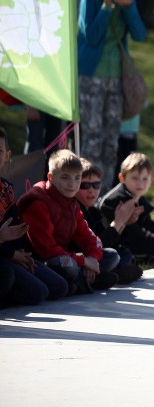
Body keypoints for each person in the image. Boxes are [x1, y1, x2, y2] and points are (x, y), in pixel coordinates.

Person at [77, 0, 148, 190]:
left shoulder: (127, 3)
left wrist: (128, 6)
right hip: (90, 78)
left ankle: (103, 193)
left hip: (116, 80)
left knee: (110, 141)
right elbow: (91, 36)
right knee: (92, 138)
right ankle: (86, 193)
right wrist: (107, 7)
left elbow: (139, 34)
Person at [17, 149, 120, 295]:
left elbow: (89, 238)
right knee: (69, 265)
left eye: (77, 178)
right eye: (65, 177)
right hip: (42, 260)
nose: (72, 184)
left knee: (112, 255)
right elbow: (46, 250)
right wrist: (84, 261)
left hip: (67, 255)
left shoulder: (71, 202)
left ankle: (81, 281)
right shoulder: (38, 202)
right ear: (51, 178)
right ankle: (88, 283)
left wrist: (91, 258)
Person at [0, 127, 67, 307]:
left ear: (7, 156)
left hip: (9, 255)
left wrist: (21, 253)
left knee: (58, 287)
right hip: (5, 258)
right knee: (33, 290)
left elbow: (16, 227)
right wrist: (10, 251)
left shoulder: (6, 188)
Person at [98, 152, 154, 267]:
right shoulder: (117, 200)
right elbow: (130, 233)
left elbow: (149, 226)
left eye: (145, 179)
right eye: (135, 178)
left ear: (151, 180)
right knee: (153, 246)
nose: (140, 184)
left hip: (130, 242)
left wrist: (151, 235)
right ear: (122, 178)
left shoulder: (139, 199)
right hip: (112, 245)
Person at [76, 159, 143, 284]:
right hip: (82, 256)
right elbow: (100, 243)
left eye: (96, 185)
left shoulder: (92, 210)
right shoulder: (76, 209)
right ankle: (107, 275)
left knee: (123, 252)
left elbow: (107, 240)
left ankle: (111, 274)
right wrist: (117, 224)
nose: (91, 190)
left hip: (95, 255)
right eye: (85, 186)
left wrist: (123, 223)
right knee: (113, 256)